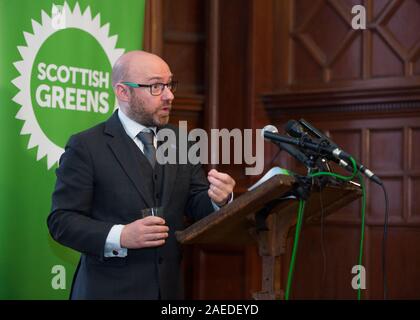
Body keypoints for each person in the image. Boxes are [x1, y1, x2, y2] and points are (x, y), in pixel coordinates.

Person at [47, 50, 236, 300]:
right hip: (107, 292)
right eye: (156, 86)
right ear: (123, 92)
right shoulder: (86, 146)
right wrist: (121, 236)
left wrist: (218, 199)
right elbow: (62, 221)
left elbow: (195, 202)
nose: (169, 95)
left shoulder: (182, 141)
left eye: (170, 84)